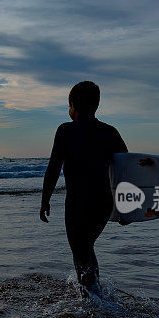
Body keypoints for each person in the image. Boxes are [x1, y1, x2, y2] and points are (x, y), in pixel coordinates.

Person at [40, 81, 128, 296]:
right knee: (86, 247)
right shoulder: (110, 132)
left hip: (77, 202)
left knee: (80, 249)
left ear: (72, 105)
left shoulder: (65, 131)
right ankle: (94, 292)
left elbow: (53, 168)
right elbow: (126, 170)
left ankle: (92, 298)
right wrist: (127, 207)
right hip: (103, 202)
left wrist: (45, 200)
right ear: (96, 105)